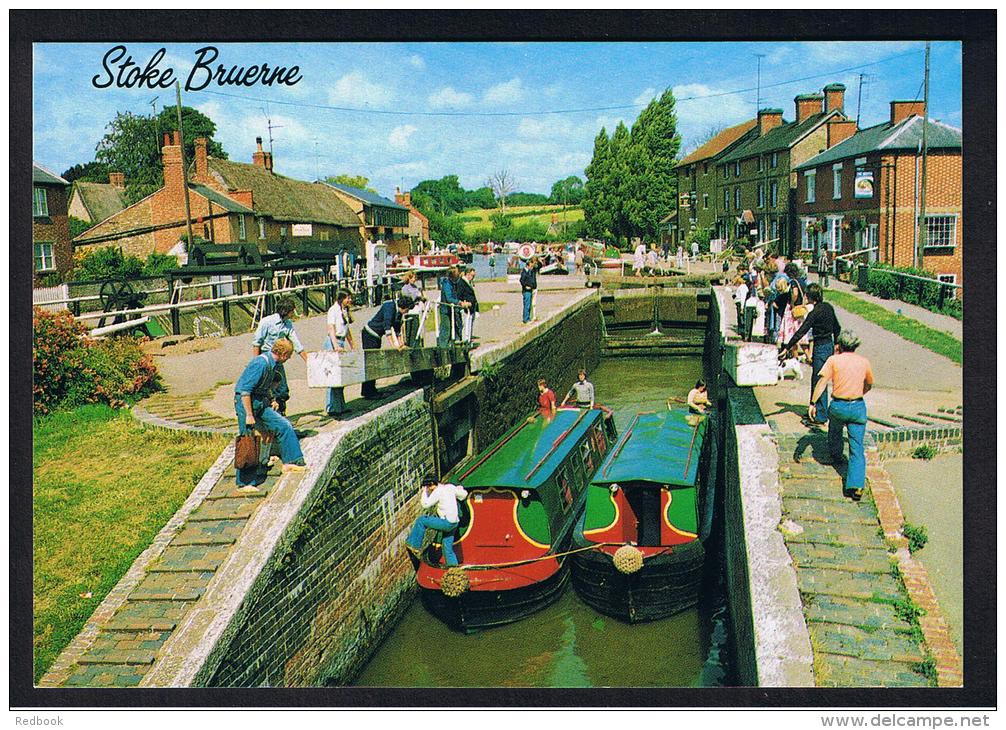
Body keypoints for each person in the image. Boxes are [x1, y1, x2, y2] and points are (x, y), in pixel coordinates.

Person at [808, 330, 874, 500]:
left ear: (839, 345)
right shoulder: (864, 362)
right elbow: (869, 383)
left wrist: (813, 403)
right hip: (858, 405)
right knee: (857, 447)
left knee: (835, 431)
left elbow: (822, 382)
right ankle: (856, 485)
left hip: (838, 405)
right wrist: (860, 392)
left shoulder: (833, 360)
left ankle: (836, 454)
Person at [234, 339, 306, 487]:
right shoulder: (260, 364)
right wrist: (249, 415)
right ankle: (245, 482)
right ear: (284, 354)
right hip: (246, 403)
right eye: (290, 355)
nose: (290, 358)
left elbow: (265, 386)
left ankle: (291, 461)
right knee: (248, 439)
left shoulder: (273, 365)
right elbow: (245, 391)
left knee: (284, 425)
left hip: (261, 401)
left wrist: (271, 399)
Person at [782, 283, 842, 426]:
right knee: (820, 378)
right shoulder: (828, 307)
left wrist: (787, 347)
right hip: (829, 344)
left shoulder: (814, 313)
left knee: (819, 379)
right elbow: (837, 327)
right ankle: (814, 410)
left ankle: (820, 415)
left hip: (820, 346)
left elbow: (802, 331)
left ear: (809, 297)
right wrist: (836, 345)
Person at [251, 296, 310, 415]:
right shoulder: (267, 322)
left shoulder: (287, 324)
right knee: (266, 387)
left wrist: (308, 361)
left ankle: (281, 413)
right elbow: (257, 343)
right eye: (292, 311)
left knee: (282, 389)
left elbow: (296, 343)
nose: (293, 313)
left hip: (278, 360)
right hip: (266, 357)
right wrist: (256, 363)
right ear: (286, 311)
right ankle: (267, 414)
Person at [405, 474, 469, 566]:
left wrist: (424, 492)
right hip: (455, 523)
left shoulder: (438, 491)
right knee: (447, 548)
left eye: (428, 486)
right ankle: (453, 569)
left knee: (421, 520)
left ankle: (413, 544)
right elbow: (463, 495)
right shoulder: (450, 487)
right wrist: (459, 489)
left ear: (431, 484)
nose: (428, 488)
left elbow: (425, 504)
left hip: (446, 523)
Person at [360, 296, 413, 398]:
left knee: (374, 362)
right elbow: (387, 327)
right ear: (404, 307)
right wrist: (394, 346)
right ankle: (368, 392)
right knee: (371, 363)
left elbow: (397, 328)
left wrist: (401, 343)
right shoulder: (390, 306)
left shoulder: (398, 312)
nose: (407, 312)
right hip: (369, 334)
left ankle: (368, 390)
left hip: (376, 336)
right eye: (407, 309)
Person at [322, 291, 354, 418]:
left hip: (341, 341)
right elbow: (331, 329)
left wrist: (352, 345)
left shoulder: (344, 310)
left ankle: (340, 406)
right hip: (333, 342)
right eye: (348, 298)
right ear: (341, 298)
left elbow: (346, 330)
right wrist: (335, 346)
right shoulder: (333, 310)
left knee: (341, 375)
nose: (350, 300)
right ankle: (331, 407)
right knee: (332, 375)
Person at [438, 265, 465, 347]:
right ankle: (443, 348)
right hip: (445, 310)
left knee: (455, 327)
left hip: (451, 310)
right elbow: (449, 298)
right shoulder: (447, 284)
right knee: (446, 329)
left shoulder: (452, 284)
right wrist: (459, 302)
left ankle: (453, 344)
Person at [455, 266, 479, 342]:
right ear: (468, 274)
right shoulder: (462, 282)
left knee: (470, 323)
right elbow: (459, 294)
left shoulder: (469, 283)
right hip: (466, 307)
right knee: (466, 324)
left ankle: (469, 338)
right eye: (472, 276)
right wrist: (463, 302)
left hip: (471, 307)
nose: (473, 278)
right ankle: (465, 340)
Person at [520, 256, 540, 324]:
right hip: (527, 290)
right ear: (528, 265)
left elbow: (538, 266)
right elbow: (522, 281)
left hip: (531, 289)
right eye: (531, 266)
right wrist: (526, 286)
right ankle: (526, 319)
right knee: (527, 304)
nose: (532, 267)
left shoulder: (531, 271)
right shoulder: (525, 272)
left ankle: (529, 317)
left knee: (530, 304)